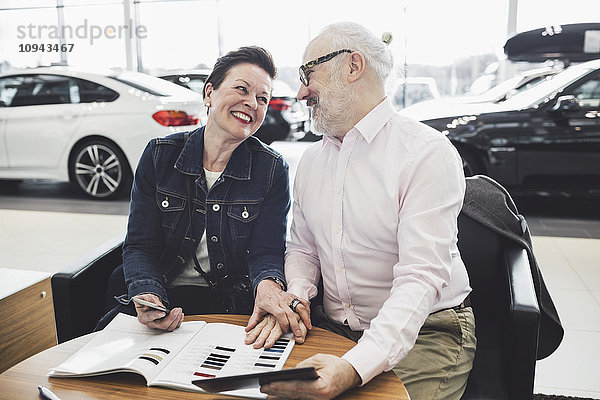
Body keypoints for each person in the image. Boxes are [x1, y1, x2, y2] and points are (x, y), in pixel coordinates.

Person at [258, 22, 476, 400]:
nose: (300, 91)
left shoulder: (426, 153)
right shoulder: (311, 161)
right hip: (335, 328)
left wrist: (356, 366)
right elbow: (303, 250)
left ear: (353, 66)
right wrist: (297, 295)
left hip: (427, 331)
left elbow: (420, 278)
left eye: (308, 74)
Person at [100, 46, 308, 343]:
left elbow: (266, 251)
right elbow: (140, 245)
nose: (252, 103)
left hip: (227, 301)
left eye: (262, 98)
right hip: (162, 291)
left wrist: (269, 286)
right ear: (209, 93)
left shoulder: (271, 169)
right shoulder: (160, 155)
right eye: (242, 89)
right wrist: (147, 293)